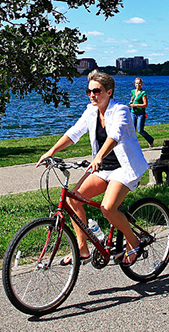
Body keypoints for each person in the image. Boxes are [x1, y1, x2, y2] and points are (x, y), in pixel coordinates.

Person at [38, 71, 149, 265]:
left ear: (109, 92)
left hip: (124, 168)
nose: (91, 95)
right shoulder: (91, 111)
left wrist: (98, 156)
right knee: (73, 200)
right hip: (103, 168)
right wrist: (52, 151)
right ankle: (82, 249)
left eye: (96, 91)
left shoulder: (121, 110)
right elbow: (74, 133)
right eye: (88, 91)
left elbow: (115, 136)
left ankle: (135, 242)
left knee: (107, 208)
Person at [129, 77, 154, 147]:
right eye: (136, 83)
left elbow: (145, 104)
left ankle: (150, 140)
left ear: (141, 84)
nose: (138, 85)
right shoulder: (132, 92)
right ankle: (133, 145)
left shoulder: (143, 93)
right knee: (132, 130)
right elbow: (131, 100)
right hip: (133, 113)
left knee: (140, 130)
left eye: (139, 83)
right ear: (134, 84)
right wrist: (131, 103)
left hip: (141, 113)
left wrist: (136, 105)